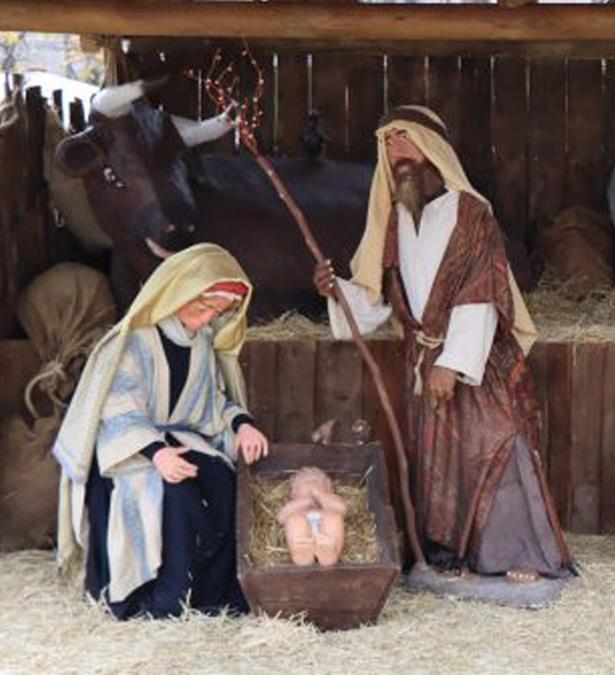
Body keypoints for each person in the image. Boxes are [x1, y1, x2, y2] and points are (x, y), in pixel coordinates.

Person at [314, 105, 571, 583]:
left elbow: (480, 291)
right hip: (424, 360)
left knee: (495, 446)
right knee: (441, 464)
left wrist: (451, 364)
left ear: (434, 150)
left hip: (477, 365)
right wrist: (338, 292)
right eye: (388, 146)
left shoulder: (472, 214)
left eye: (404, 141)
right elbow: (380, 303)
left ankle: (518, 555)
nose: (396, 155)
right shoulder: (395, 222)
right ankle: (452, 558)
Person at [53, 243, 268, 619]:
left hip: (179, 440)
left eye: (215, 313)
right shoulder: (134, 341)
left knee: (222, 481)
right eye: (201, 309)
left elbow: (210, 405)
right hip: (129, 450)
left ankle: (212, 598)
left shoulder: (199, 343)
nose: (205, 321)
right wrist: (158, 454)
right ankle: (162, 602)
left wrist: (242, 424)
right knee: (176, 493)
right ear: (177, 294)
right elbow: (118, 410)